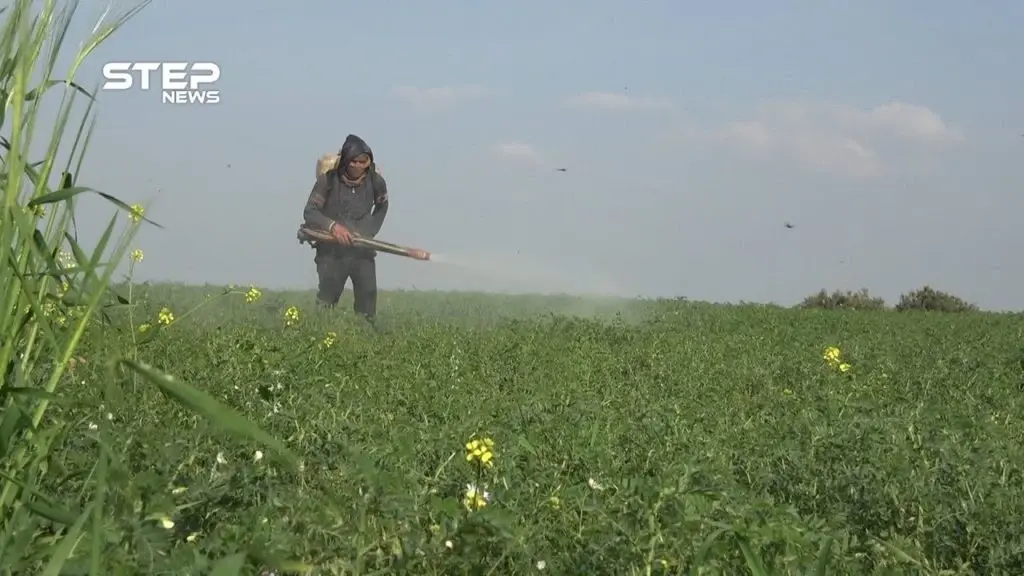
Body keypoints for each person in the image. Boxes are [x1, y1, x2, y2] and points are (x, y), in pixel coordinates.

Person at [303, 134, 389, 319]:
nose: (358, 166)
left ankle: (365, 335)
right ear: (345, 161)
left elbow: (382, 207)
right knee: (327, 299)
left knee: (368, 297)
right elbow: (310, 212)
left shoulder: (376, 182)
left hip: (362, 250)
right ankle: (319, 334)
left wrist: (369, 230)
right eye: (353, 161)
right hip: (331, 252)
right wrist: (334, 227)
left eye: (362, 161)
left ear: (369, 161)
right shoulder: (327, 181)